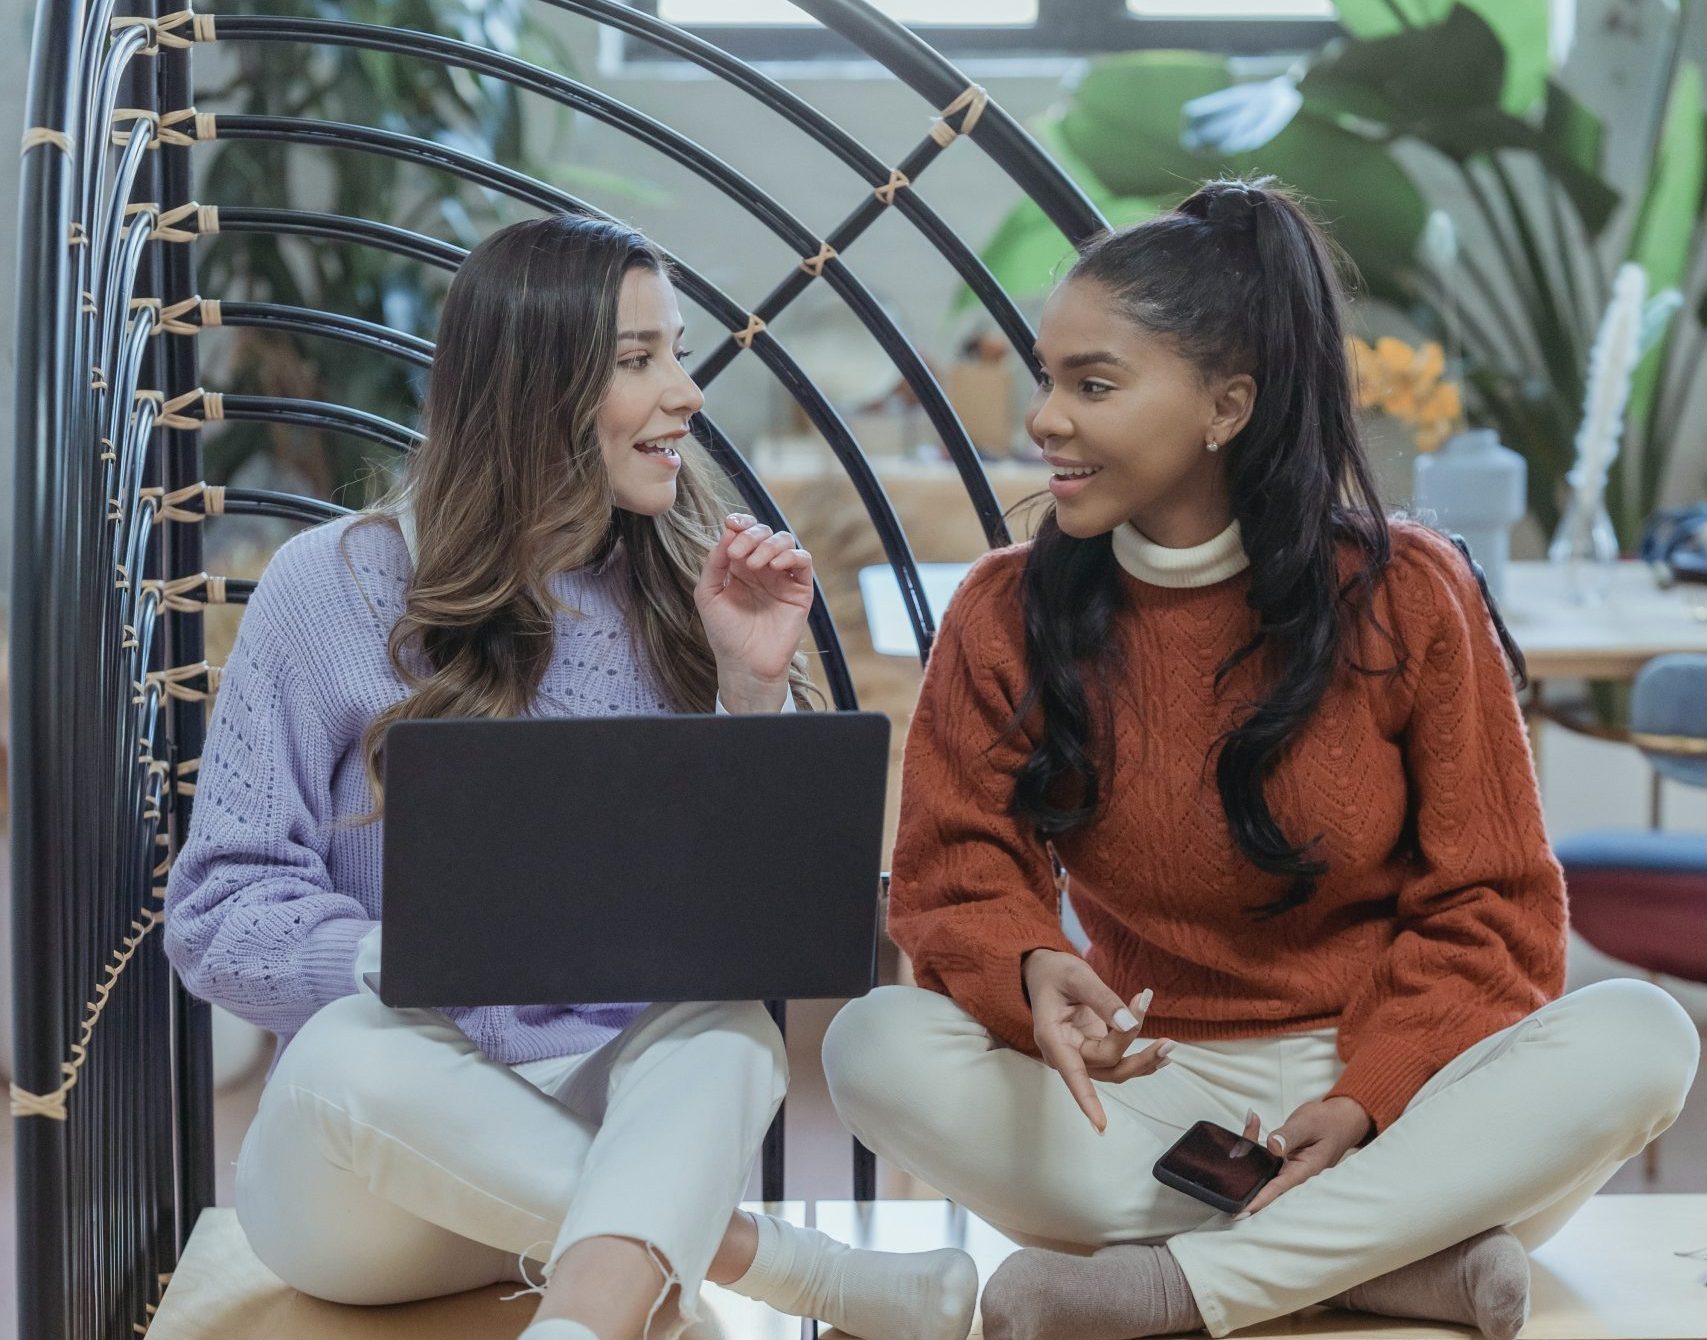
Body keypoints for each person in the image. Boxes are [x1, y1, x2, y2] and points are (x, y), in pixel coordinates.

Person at [822, 178, 1700, 1340]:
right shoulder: (1002, 612)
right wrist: (1030, 966)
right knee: (871, 1042)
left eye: (1093, 383)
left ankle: (1171, 1285)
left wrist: (1367, 1095)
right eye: (1048, 378)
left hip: (1400, 1088)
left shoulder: (1406, 593)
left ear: (1225, 405)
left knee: (1643, 1034)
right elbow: (952, 875)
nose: (1046, 419)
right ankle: (1384, 1256)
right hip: (1156, 1089)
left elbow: (1494, 904)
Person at [164, 214, 978, 1340]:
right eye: (640, 360)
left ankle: (579, 1323)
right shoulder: (328, 587)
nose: (688, 392)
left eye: (678, 351)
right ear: (532, 390)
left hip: (603, 1132)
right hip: (375, 1174)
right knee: (356, 1043)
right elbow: (215, 912)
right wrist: (393, 956)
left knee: (727, 1025)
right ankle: (810, 1274)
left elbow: (758, 919)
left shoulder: (692, 586)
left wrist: (751, 688)